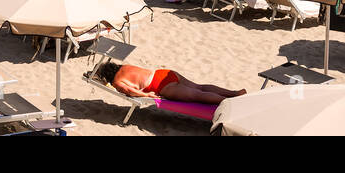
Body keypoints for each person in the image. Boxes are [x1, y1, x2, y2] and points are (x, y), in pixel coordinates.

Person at [98, 61, 245, 105]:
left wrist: (147, 95)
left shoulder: (117, 81)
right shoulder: (124, 66)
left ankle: (229, 102)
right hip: (163, 73)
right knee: (200, 87)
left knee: (198, 95)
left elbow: (130, 91)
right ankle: (235, 93)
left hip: (162, 86)